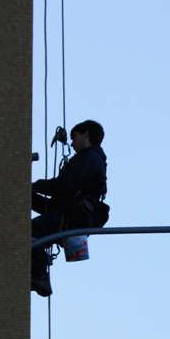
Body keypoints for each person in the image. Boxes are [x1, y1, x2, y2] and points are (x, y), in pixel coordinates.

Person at [31, 120, 108, 295]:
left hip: (73, 217)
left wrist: (36, 186)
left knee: (27, 231)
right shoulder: (91, 161)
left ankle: (39, 275)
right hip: (72, 216)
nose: (72, 143)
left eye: (74, 137)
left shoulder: (90, 158)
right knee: (32, 233)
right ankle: (38, 276)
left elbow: (63, 185)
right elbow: (54, 205)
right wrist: (28, 195)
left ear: (86, 135)